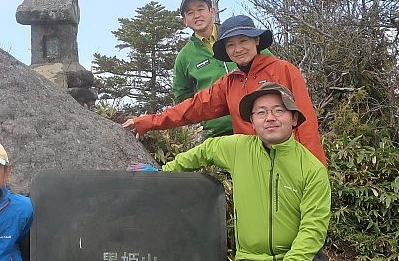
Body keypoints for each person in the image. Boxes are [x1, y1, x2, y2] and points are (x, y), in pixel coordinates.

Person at [139, 83, 336, 261]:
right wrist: (164, 171)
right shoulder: (238, 148)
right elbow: (204, 150)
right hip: (253, 256)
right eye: (261, 112)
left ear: (294, 118)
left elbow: (313, 227)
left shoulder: (311, 168)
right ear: (253, 121)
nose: (270, 118)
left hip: (300, 257)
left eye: (278, 111)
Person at [123, 14, 327, 164]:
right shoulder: (229, 83)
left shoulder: (283, 70)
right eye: (230, 45)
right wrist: (146, 122)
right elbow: (192, 108)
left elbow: (305, 120)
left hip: (290, 160)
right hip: (252, 164)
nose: (237, 49)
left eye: (243, 41)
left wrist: (314, 166)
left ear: (256, 41)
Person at [171, 0, 233, 138]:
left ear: (212, 10)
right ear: (184, 21)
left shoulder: (236, 35)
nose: (197, 15)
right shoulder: (184, 57)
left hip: (256, 123)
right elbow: (182, 95)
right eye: (190, 12)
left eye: (200, 9)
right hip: (217, 133)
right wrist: (203, 113)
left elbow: (270, 65)